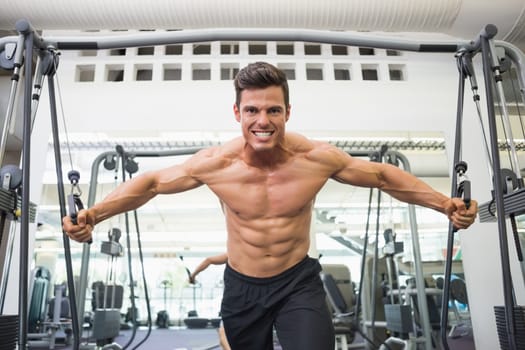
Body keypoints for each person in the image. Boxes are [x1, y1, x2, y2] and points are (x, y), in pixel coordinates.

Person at [63, 61, 478, 350]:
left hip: (297, 282)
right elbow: (151, 183)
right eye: (253, 110)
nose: (263, 120)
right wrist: (92, 216)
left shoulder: (317, 159)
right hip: (242, 287)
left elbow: (384, 176)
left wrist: (445, 204)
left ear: (288, 112)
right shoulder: (216, 165)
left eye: (273, 110)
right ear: (237, 112)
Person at [189, 253, 230, 350]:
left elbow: (209, 260)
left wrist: (192, 276)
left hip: (235, 300)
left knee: (223, 332)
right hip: (248, 299)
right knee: (223, 332)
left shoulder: (234, 254)